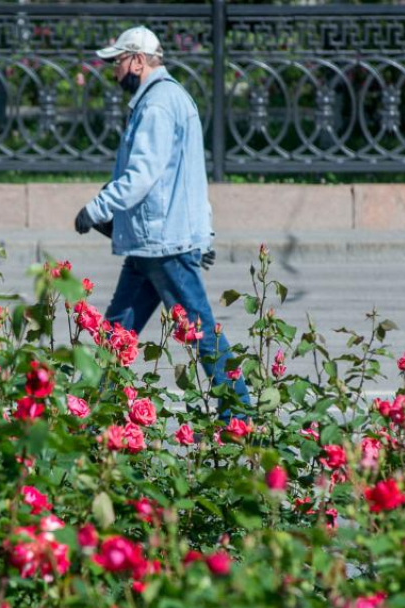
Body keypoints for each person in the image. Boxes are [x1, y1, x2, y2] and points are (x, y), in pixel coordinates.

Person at [73, 26, 250, 410]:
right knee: (117, 332)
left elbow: (142, 175)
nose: (114, 71)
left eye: (118, 62)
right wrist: (204, 235)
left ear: (138, 60)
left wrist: (96, 209)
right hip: (151, 244)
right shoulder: (169, 98)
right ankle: (92, 413)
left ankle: (241, 416)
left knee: (201, 332)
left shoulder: (156, 105)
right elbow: (189, 178)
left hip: (163, 244)